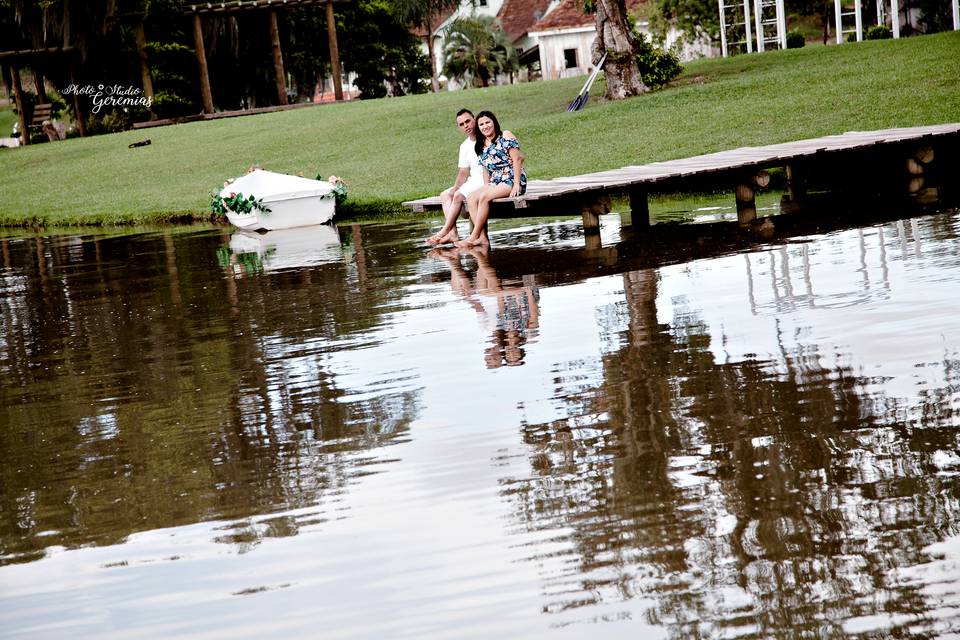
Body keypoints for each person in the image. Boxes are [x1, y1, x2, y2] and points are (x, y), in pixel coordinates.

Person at [455, 110, 527, 248]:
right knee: (471, 197)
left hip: (511, 178)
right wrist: (486, 185)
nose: (485, 126)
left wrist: (517, 183)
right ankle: (482, 238)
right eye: (481, 124)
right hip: (495, 181)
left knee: (484, 198)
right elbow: (485, 168)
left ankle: (473, 236)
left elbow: (518, 158)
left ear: (494, 122)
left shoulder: (505, 135)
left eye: (488, 122)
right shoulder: (481, 144)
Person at [427, 109, 484, 245]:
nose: (466, 126)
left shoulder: (485, 138)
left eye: (468, 121)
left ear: (474, 119)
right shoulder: (464, 146)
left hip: (484, 179)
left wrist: (458, 191)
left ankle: (444, 231)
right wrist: (456, 187)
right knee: (445, 194)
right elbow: (463, 171)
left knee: (457, 195)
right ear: (459, 127)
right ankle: (452, 233)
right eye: (462, 124)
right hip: (473, 179)